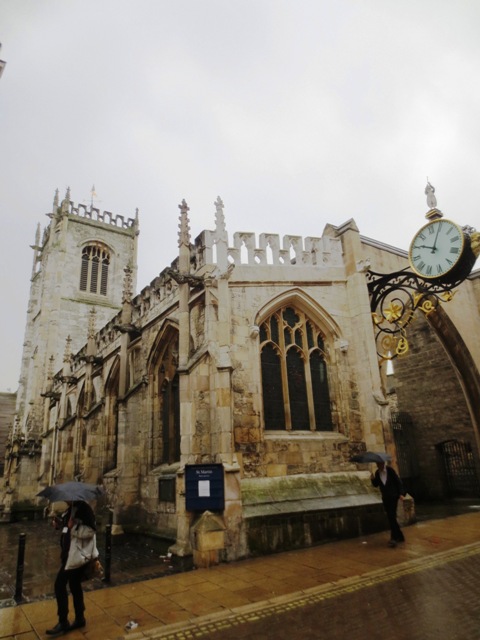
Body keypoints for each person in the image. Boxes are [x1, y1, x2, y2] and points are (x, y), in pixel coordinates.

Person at [46, 500, 97, 636]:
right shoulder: (70, 509)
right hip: (68, 556)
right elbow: (66, 527)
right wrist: (59, 524)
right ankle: (80, 618)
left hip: (76, 557)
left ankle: (63, 621)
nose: (65, 499)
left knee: (59, 585)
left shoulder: (84, 509)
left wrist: (72, 528)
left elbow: (90, 531)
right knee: (74, 585)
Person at [371, 461, 406, 548]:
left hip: (393, 496)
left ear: (383, 463)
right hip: (385, 498)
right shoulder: (377, 473)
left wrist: (401, 493)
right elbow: (376, 484)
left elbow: (398, 482)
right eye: (378, 464)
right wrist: (372, 479)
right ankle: (400, 536)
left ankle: (393, 538)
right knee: (391, 517)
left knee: (391, 515)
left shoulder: (390, 470)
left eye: (380, 464)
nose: (379, 466)